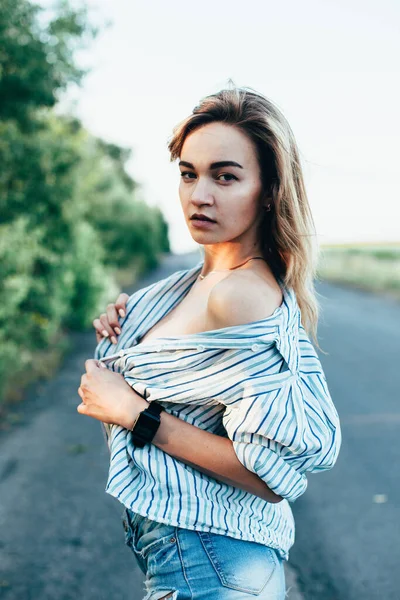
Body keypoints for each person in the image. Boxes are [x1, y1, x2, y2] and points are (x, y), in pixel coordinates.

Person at [77, 86, 342, 600]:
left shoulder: (240, 295)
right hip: (201, 558)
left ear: (269, 191)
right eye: (188, 174)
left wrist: (137, 413)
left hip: (212, 562)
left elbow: (269, 475)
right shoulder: (200, 284)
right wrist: (127, 334)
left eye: (225, 176)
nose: (199, 195)